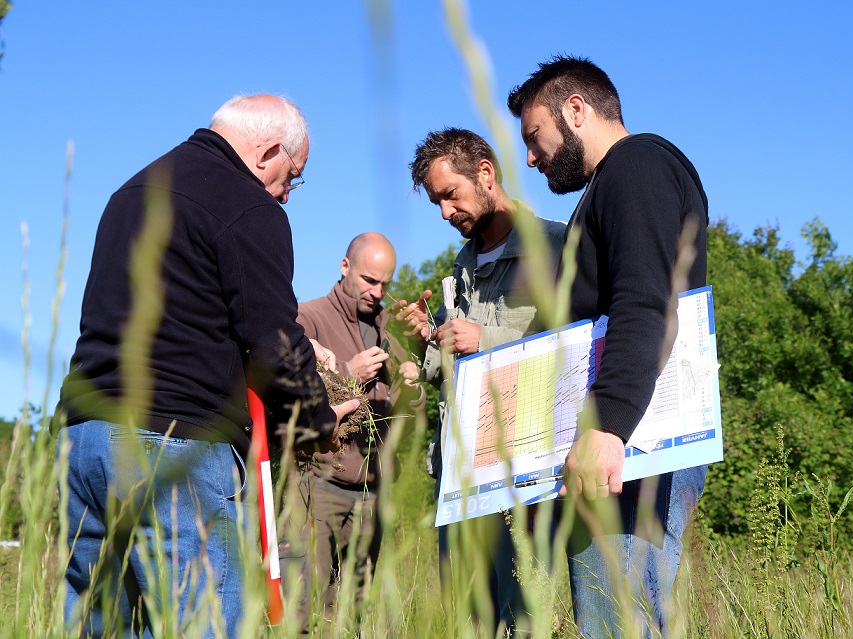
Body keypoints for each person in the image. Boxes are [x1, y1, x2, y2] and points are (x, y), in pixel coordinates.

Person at [55, 94, 358, 638]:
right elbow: (273, 339)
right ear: (267, 152)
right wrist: (316, 420)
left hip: (84, 442)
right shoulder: (246, 204)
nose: (288, 194)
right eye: (294, 176)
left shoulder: (132, 191)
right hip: (173, 449)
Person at [507, 56, 710, 638]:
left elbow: (645, 299)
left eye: (534, 136)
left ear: (576, 110)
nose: (531, 156)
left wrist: (607, 426)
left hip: (631, 441)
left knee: (621, 621)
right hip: (625, 438)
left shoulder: (636, 167)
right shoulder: (616, 180)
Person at [399, 127, 566, 634]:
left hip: (526, 480)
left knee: (525, 621)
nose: (445, 213)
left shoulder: (557, 246)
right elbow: (454, 372)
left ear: (486, 174)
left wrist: (484, 339)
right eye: (436, 203)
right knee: (465, 622)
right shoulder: (463, 266)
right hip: (459, 478)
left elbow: (579, 353)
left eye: (450, 195)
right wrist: (428, 340)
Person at [280, 232, 423, 626]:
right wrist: (347, 373)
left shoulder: (389, 334)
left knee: (363, 616)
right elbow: (286, 385)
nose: (377, 292)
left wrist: (412, 390)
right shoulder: (306, 317)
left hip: (372, 496)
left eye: (385, 284)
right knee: (307, 612)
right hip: (317, 488)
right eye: (369, 280)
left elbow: (406, 423)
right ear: (345, 267)